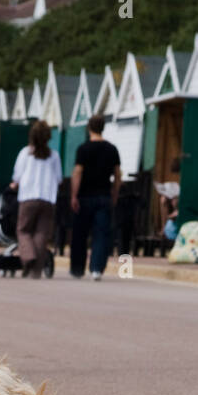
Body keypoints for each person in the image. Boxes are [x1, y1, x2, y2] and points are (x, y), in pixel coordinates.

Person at [70, 114, 121, 280]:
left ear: (89, 128)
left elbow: (78, 172)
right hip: (103, 195)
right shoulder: (112, 149)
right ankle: (96, 268)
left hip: (85, 196)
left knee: (80, 233)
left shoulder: (83, 149)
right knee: (101, 234)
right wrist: (115, 192)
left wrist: (74, 195)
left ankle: (77, 268)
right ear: (103, 128)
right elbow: (117, 174)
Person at [10, 121, 62, 279]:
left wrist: (14, 185)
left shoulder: (25, 153)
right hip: (48, 198)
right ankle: (36, 270)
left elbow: (17, 176)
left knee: (23, 230)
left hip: (28, 197)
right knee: (41, 233)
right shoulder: (54, 156)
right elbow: (59, 178)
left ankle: (28, 256)